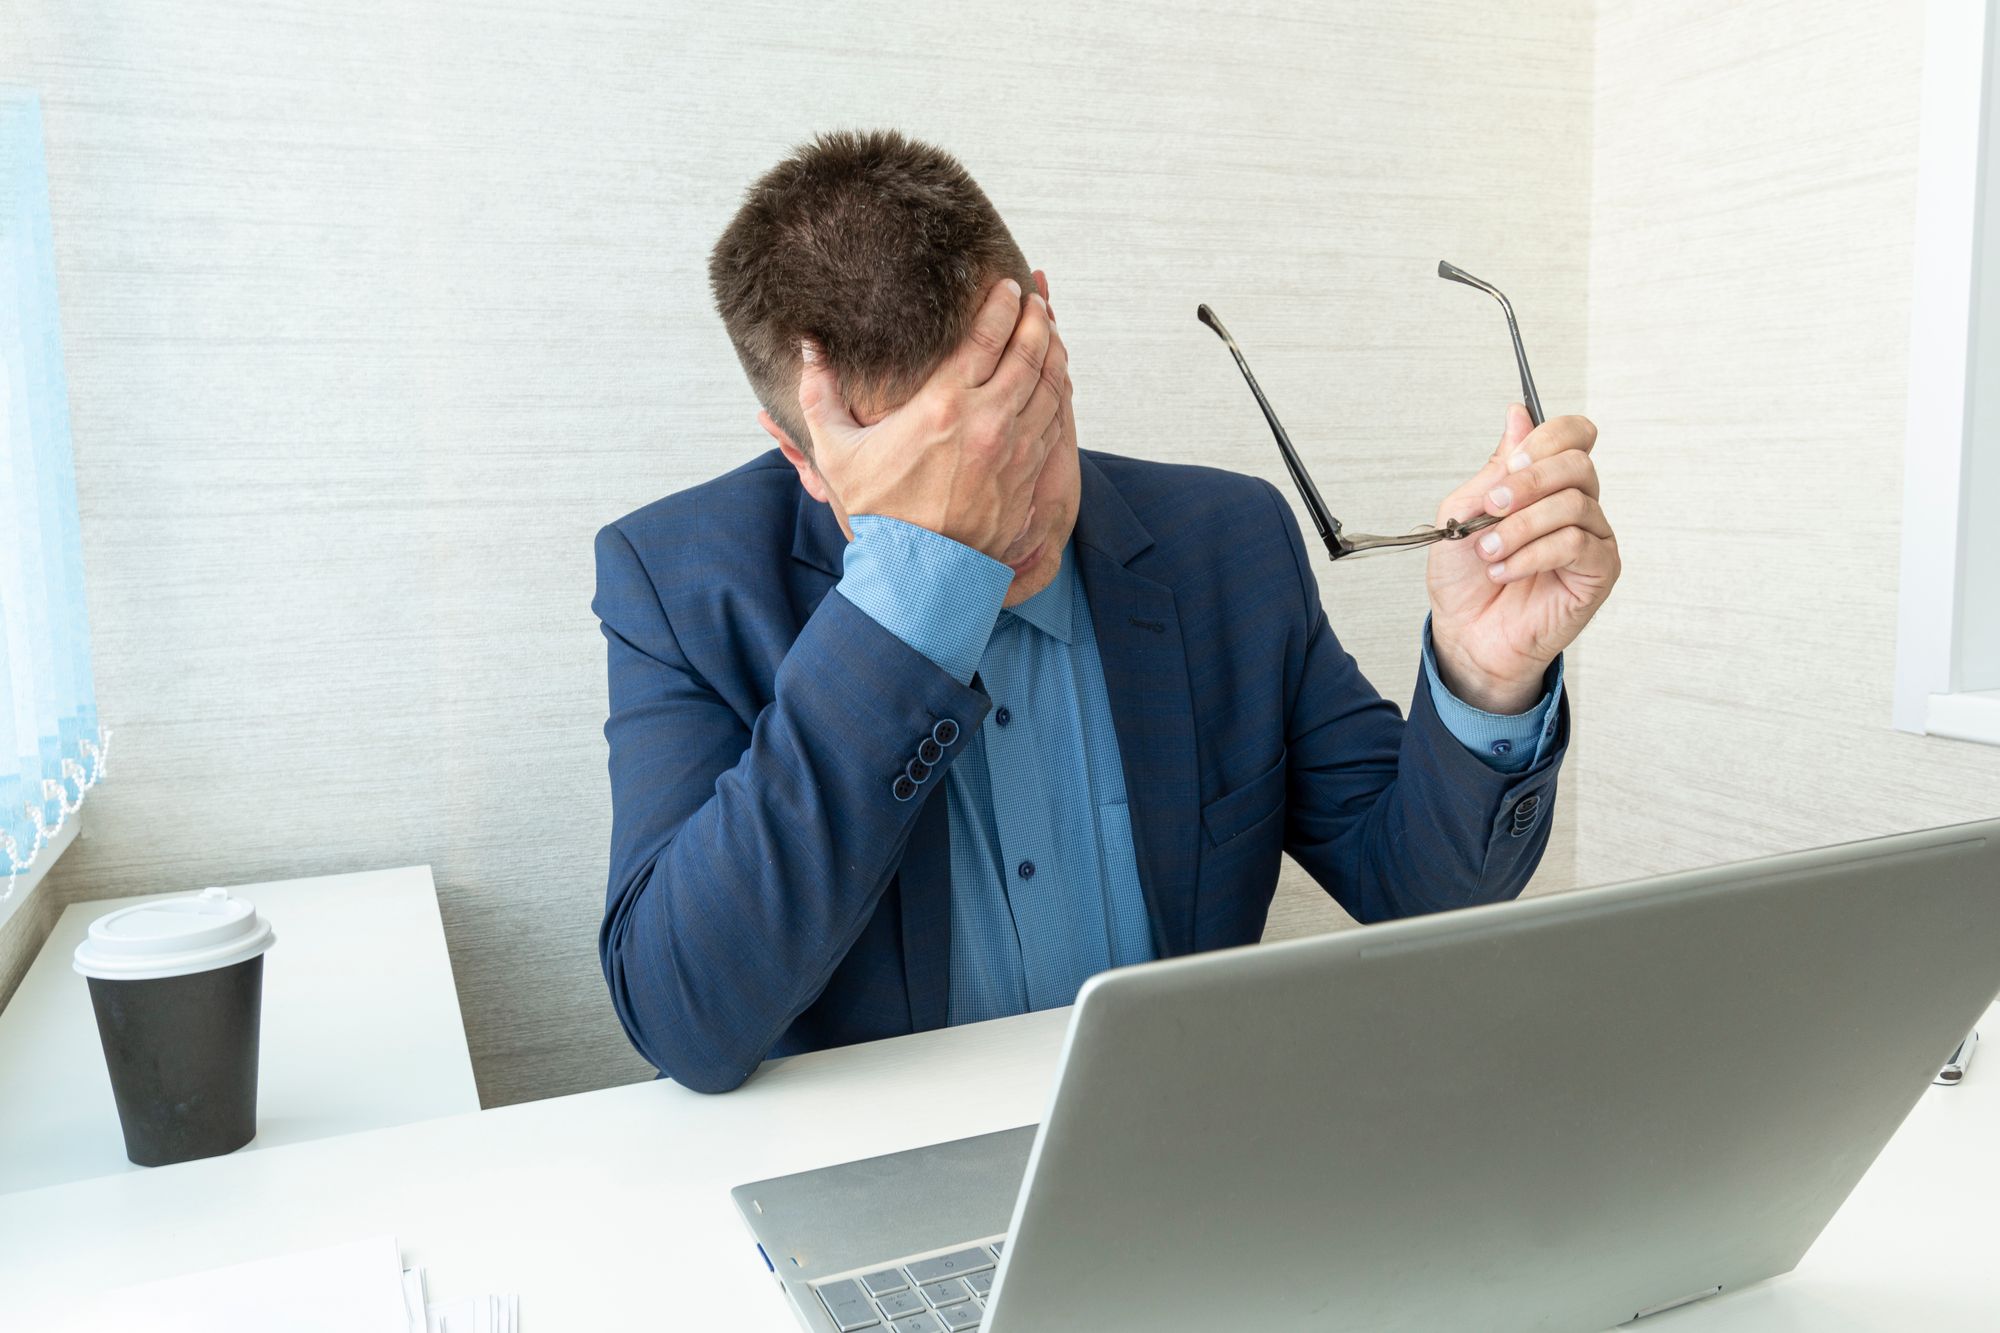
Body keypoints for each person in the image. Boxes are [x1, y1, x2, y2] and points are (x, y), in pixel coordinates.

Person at [592, 130, 1618, 1094]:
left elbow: (1420, 894)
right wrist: (911, 599)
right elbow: (687, 1020)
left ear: (1046, 326)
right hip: (884, 1200)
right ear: (800, 459)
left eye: (1018, 434)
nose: (1004, 515)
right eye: (932, 484)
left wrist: (1486, 674)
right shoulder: (681, 585)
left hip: (1166, 1172)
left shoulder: (1227, 545)